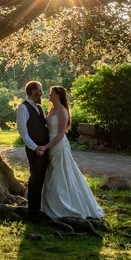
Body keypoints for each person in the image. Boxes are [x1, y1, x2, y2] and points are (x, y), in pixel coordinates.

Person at [35, 85, 104, 220]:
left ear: (58, 95)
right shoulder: (52, 110)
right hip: (51, 145)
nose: (49, 95)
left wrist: (45, 146)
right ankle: (51, 206)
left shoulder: (62, 111)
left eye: (51, 93)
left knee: (60, 173)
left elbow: (61, 134)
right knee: (52, 173)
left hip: (59, 146)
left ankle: (66, 206)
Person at [15, 80, 50, 221]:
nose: (41, 93)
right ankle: (33, 211)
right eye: (39, 90)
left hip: (44, 148)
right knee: (35, 178)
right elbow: (23, 132)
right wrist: (35, 148)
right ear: (32, 91)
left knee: (42, 177)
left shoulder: (39, 108)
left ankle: (40, 207)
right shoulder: (23, 108)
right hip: (35, 149)